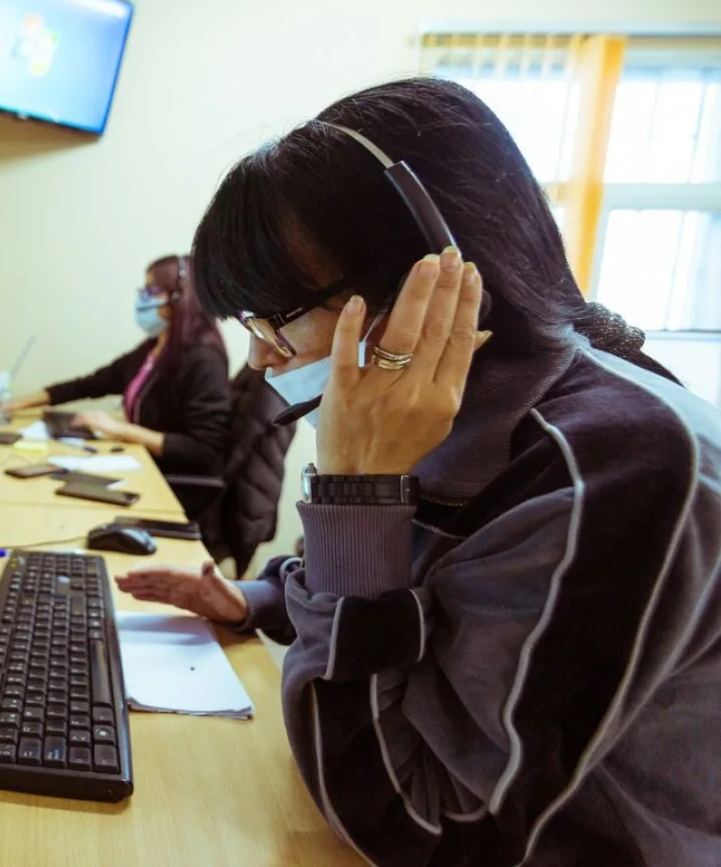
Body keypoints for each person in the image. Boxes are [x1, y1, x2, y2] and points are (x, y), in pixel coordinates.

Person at [116, 78, 721, 865]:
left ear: (426, 280)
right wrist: (258, 598)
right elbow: (421, 593)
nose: (261, 357)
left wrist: (355, 492)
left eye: (274, 320)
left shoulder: (617, 472)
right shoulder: (457, 413)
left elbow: (423, 824)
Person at [7, 255, 231, 509]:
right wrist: (16, 404)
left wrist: (118, 429)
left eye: (150, 291)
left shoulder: (203, 360)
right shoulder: (154, 349)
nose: (141, 299)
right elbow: (90, 384)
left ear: (178, 298)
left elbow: (203, 450)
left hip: (169, 489)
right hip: (142, 467)